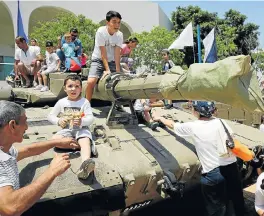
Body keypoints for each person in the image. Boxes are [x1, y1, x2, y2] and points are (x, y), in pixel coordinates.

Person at [152, 101, 245, 216]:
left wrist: (159, 118)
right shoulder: (221, 122)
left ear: (196, 112)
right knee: (237, 202)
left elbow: (173, 125)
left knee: (216, 208)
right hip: (232, 169)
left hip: (213, 174)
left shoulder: (194, 126)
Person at [0, 100, 79, 216]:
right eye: (24, 122)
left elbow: (27, 151)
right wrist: (52, 171)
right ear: (12, 125)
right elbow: (11, 207)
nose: (27, 127)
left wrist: (56, 142)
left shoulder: (4, 149)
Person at [48, 74, 96, 179]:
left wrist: (82, 121)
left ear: (81, 89)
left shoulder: (85, 102)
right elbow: (50, 116)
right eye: (70, 86)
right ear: (65, 88)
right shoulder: (61, 102)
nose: (73, 89)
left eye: (77, 86)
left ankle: (85, 165)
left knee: (84, 139)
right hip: (66, 129)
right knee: (55, 140)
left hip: (81, 129)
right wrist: (58, 120)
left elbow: (91, 118)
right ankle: (84, 146)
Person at [86, 10, 123, 102]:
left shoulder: (119, 35)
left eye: (119, 22)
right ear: (107, 22)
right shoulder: (101, 31)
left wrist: (118, 70)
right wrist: (107, 70)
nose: (117, 25)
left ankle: (118, 104)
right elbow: (103, 53)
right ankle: (86, 105)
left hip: (112, 61)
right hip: (98, 59)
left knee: (121, 81)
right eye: (114, 22)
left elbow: (117, 53)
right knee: (91, 82)